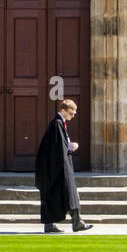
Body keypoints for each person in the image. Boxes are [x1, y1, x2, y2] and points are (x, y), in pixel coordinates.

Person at [34, 99, 93, 233]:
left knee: (56, 194)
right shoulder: (57, 124)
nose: (73, 116)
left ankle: (50, 225)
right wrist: (71, 147)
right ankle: (76, 223)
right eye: (71, 113)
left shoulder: (59, 124)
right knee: (70, 194)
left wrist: (69, 146)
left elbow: (59, 145)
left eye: (74, 113)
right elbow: (59, 148)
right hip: (59, 167)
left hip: (56, 167)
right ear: (63, 111)